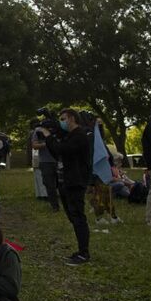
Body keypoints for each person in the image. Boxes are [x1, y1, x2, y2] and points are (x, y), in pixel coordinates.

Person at [39, 108, 91, 266]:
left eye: (63, 119)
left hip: (75, 181)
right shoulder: (69, 136)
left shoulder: (80, 136)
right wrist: (53, 136)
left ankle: (84, 253)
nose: (61, 122)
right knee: (72, 216)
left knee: (78, 217)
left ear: (72, 118)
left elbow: (63, 150)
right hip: (65, 181)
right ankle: (81, 250)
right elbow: (58, 153)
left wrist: (49, 137)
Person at [31, 119, 60, 211]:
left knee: (61, 184)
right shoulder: (38, 131)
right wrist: (48, 143)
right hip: (45, 161)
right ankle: (54, 206)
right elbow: (34, 145)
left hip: (59, 160)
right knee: (49, 184)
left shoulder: (58, 129)